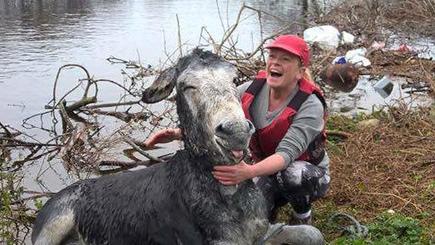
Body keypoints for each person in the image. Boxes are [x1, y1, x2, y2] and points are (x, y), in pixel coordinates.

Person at [145, 35, 330, 225]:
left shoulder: (311, 105)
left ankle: (302, 215)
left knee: (294, 176)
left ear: (300, 72)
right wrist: (178, 133)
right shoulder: (250, 90)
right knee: (248, 215)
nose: (275, 63)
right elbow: (220, 120)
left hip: (304, 171)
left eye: (285, 59)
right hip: (263, 168)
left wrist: (247, 172)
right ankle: (272, 207)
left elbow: (286, 154)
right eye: (272, 57)